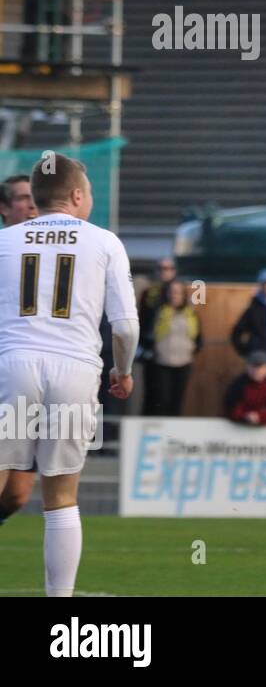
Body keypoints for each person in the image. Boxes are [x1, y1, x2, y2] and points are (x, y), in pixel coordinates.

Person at [0, 153, 138, 594]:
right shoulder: (104, 242)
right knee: (60, 499)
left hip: (14, 363)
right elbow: (125, 326)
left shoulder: (6, 240)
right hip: (76, 370)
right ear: (77, 195)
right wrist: (122, 370)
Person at [0, 174, 39, 525]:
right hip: (5, 373)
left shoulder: (56, 251)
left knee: (17, 495)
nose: (31, 205)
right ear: (4, 207)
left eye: (35, 198)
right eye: (23, 198)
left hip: (39, 377)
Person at [144, 279, 202, 416]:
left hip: (184, 363)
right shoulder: (158, 312)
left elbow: (198, 337)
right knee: (162, 400)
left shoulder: (191, 314)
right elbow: (148, 334)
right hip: (162, 362)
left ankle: (173, 435)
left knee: (177, 401)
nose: (174, 295)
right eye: (172, 292)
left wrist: (192, 350)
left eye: (178, 292)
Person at [230, 268, 266, 385]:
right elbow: (236, 333)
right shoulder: (252, 310)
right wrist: (247, 352)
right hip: (258, 363)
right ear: (260, 286)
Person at [224, 350, 266, 426]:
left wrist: (260, 417)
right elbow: (231, 409)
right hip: (241, 428)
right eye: (253, 367)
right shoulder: (238, 385)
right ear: (247, 367)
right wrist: (246, 417)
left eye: (260, 367)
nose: (257, 371)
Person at [137, 257, 176, 362]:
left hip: (173, 342)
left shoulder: (180, 291)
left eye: (168, 268)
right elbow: (143, 317)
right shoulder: (148, 291)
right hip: (151, 342)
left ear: (174, 270)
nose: (164, 271)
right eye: (161, 268)